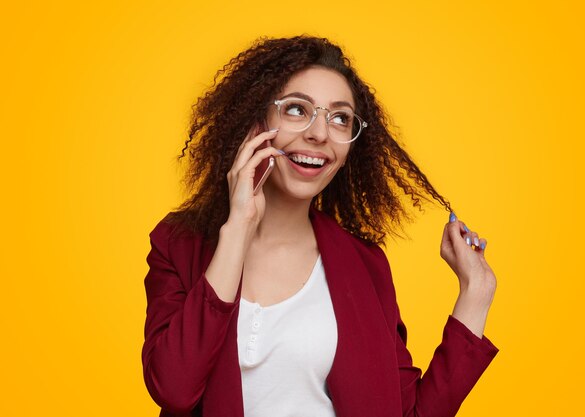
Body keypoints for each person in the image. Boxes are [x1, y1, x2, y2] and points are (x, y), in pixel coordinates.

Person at [141, 36, 498, 417]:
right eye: (297, 110)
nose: (320, 133)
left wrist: (476, 295)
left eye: (340, 118)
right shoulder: (178, 243)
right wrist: (238, 228)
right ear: (255, 123)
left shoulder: (365, 265)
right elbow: (174, 389)